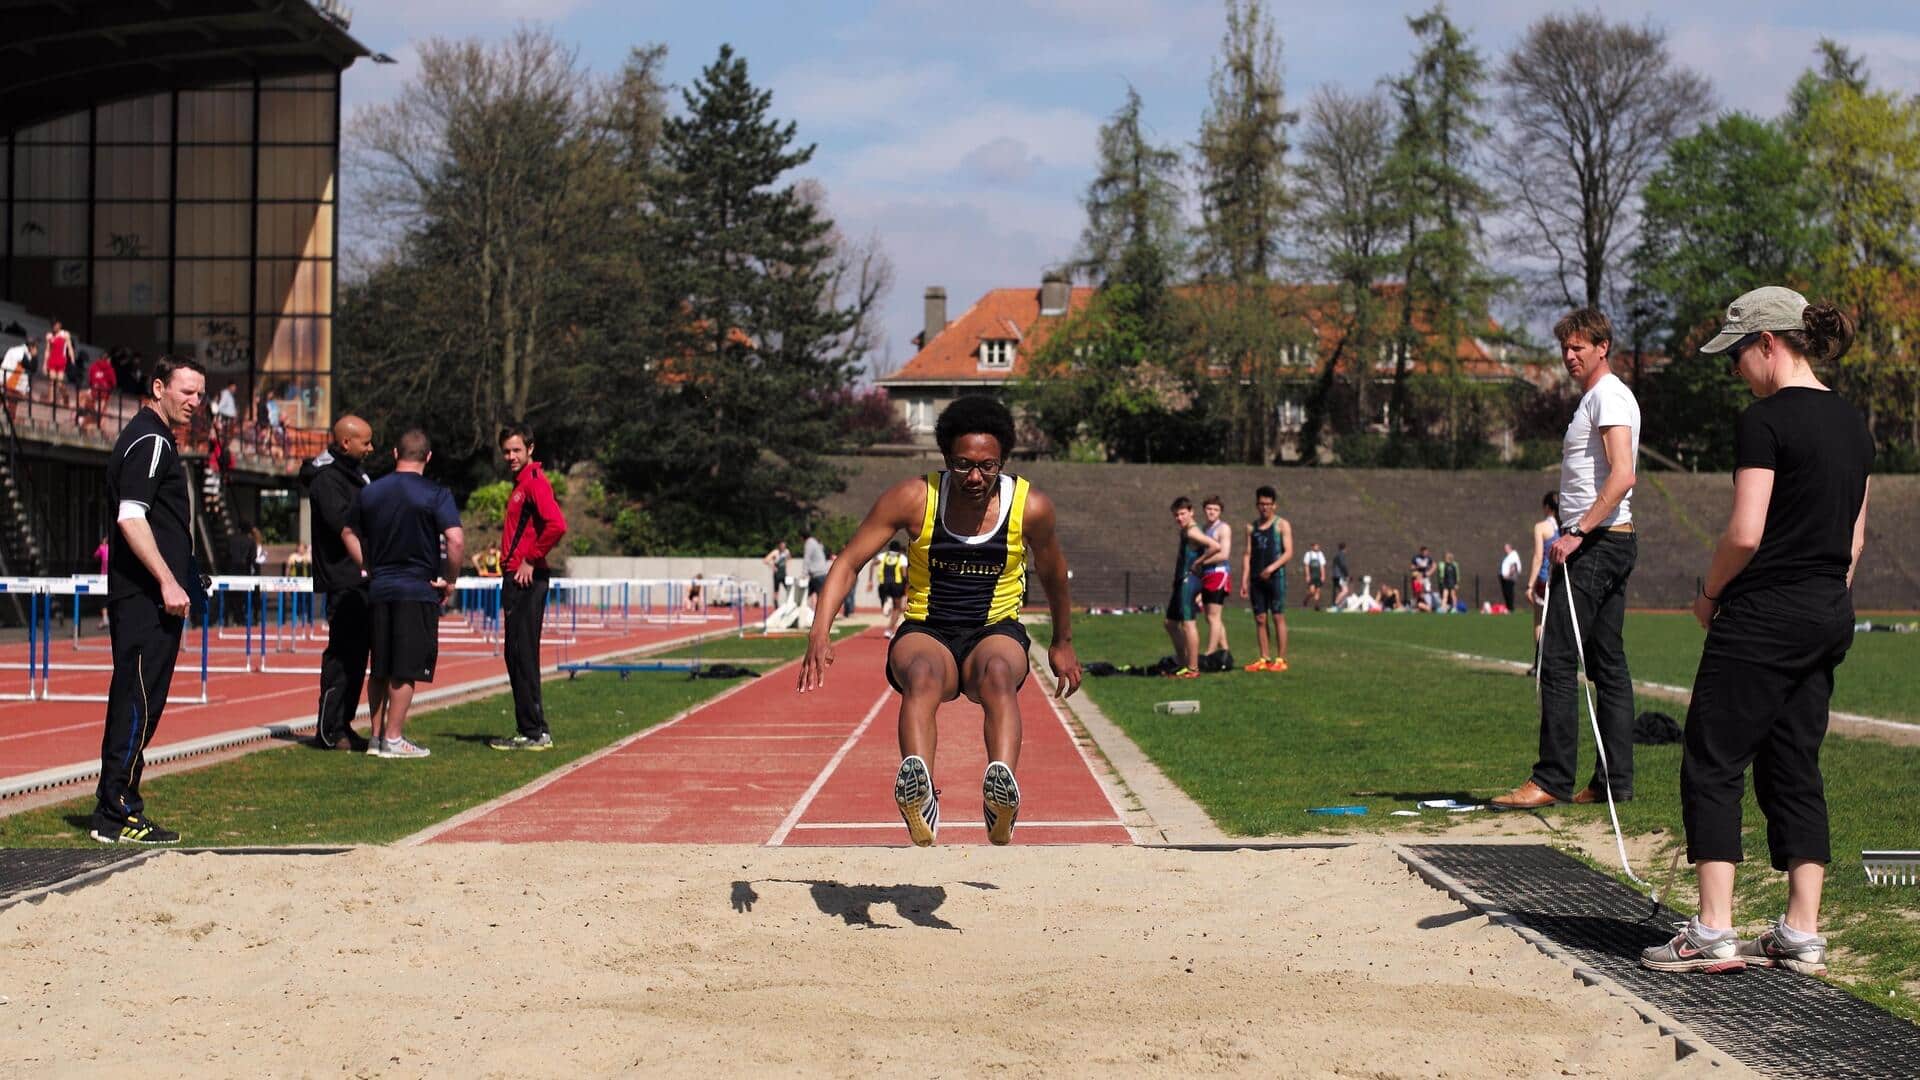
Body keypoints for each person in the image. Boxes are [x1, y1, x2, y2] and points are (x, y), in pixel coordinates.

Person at [1641, 289, 1872, 976]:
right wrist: (1823, 595)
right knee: (1794, 763)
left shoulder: (1765, 421)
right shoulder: (1854, 424)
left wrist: (1710, 594)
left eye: (1739, 353)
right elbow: (1854, 536)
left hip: (1763, 613)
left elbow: (1746, 531)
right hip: (1828, 608)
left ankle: (1714, 929)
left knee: (1712, 759)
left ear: (1770, 342)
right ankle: (1802, 932)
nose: (1736, 368)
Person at [798, 395, 1080, 848]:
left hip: (995, 630)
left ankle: (1000, 792)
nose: (973, 477)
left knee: (999, 674)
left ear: (1003, 460)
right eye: (961, 464)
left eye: (986, 466)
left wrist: (1063, 641)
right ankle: (920, 791)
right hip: (928, 628)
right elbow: (849, 561)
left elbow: (1053, 576)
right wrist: (819, 630)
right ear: (945, 458)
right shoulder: (914, 498)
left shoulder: (1031, 507)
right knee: (923, 675)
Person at [1494, 308, 1640, 811]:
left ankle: (1551, 779)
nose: (1570, 355)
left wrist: (1575, 530)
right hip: (1604, 543)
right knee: (1608, 665)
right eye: (1565, 347)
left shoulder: (1610, 396)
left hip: (1597, 546)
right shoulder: (1593, 400)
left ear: (1603, 347)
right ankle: (1612, 782)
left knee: (1556, 660)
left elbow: (1623, 475)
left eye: (1579, 346)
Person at [90, 355, 207, 844]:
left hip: (148, 598)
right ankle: (116, 812)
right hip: (143, 599)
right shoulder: (152, 440)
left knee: (141, 700)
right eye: (186, 391)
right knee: (137, 701)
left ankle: (117, 805)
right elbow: (131, 517)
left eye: (200, 395)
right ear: (159, 387)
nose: (194, 403)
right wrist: (166, 580)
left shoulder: (154, 438)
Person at [348, 429, 463, 759]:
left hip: (381, 587)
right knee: (406, 666)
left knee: (380, 665)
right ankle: (394, 738)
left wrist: (367, 565)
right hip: (417, 588)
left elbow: (347, 531)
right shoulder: (436, 493)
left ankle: (375, 737)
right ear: (428, 457)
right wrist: (449, 579)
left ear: (396, 453)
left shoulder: (371, 492)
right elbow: (454, 540)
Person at [301, 415, 378, 752]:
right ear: (346, 442)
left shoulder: (356, 473)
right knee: (342, 657)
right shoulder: (327, 480)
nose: (371, 448)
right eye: (366, 442)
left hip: (361, 579)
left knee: (357, 657)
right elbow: (343, 525)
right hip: (343, 577)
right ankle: (329, 729)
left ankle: (343, 723)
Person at [490, 422, 566, 752]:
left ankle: (536, 731)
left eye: (516, 450)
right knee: (515, 654)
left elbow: (557, 524)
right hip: (516, 576)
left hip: (526, 579)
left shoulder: (534, 483)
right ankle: (528, 729)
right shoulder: (520, 484)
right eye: (506, 450)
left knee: (522, 654)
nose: (510, 456)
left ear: (530, 449)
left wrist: (530, 560)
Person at [1163, 496, 1222, 679]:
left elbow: (1215, 546)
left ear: (1191, 512)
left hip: (1190, 580)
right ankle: (1183, 662)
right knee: (1170, 623)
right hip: (1181, 579)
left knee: (1188, 623)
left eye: (1182, 514)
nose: (1179, 518)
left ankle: (1193, 668)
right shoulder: (1186, 530)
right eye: (1176, 515)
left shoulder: (1192, 532)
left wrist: (1199, 561)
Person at [1239, 486, 1293, 672]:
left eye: (1268, 504)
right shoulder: (1250, 528)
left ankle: (1281, 659)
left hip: (1276, 577)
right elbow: (1247, 554)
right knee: (1260, 618)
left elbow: (1288, 553)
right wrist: (1244, 579)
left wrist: (1271, 568)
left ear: (1274, 505)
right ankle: (1264, 657)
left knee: (1278, 616)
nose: (1265, 508)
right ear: (1256, 505)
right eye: (1261, 504)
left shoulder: (1281, 525)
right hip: (1256, 578)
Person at [1526, 492, 1560, 674]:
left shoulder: (1541, 527)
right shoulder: (1565, 526)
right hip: (1562, 580)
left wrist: (1529, 585)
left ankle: (1539, 664)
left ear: (1547, 507)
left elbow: (1539, 556)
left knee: (1539, 621)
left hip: (1544, 580)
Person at [1197, 495, 1233, 658]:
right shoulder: (1204, 528)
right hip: (1207, 574)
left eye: (1215, 509)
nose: (1212, 512)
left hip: (1218, 573)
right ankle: (1224, 651)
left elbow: (1224, 554)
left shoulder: (1223, 528)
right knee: (1211, 616)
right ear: (1204, 510)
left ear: (1220, 512)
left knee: (1213, 616)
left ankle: (1210, 653)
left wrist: (1201, 562)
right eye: (1209, 509)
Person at [868, 539, 909, 638]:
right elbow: (904, 573)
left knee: (885, 597)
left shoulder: (883, 556)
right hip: (897, 585)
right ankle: (889, 630)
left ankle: (886, 601)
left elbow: (872, 564)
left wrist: (870, 580)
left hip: (884, 584)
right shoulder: (902, 557)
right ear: (899, 549)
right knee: (897, 608)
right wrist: (907, 584)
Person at [44, 319, 74, 420]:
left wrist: (72, 359)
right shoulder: (49, 336)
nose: (54, 327)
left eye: (55, 325)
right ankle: (51, 402)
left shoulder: (65, 334)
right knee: (52, 382)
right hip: (52, 360)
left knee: (60, 383)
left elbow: (69, 347)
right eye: (52, 325)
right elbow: (47, 350)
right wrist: (45, 364)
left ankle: (65, 395)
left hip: (61, 360)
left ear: (59, 325)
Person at [2, 338, 35, 423]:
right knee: (12, 406)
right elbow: (32, 368)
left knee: (7, 403)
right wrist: (35, 356)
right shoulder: (23, 353)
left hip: (4, 379)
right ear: (31, 346)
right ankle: (9, 424)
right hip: (13, 383)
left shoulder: (14, 350)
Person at [86, 350, 116, 431]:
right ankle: (98, 427)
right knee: (101, 411)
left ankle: (96, 424)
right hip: (104, 392)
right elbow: (113, 382)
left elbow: (90, 380)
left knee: (98, 409)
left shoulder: (93, 366)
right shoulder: (110, 368)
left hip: (94, 390)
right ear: (108, 359)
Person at [801, 531, 829, 611]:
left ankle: (823, 615)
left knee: (818, 596)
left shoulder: (809, 543)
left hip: (818, 574)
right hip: (821, 573)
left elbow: (807, 559)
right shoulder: (816, 543)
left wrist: (804, 574)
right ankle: (811, 612)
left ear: (802, 538)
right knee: (808, 594)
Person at [763, 540, 791, 604]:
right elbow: (765, 560)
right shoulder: (775, 552)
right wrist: (773, 567)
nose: (783, 547)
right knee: (776, 591)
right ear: (779, 546)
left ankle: (789, 603)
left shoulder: (787, 551)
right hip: (777, 574)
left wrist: (786, 565)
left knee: (788, 589)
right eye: (782, 546)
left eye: (784, 546)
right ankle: (776, 605)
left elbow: (789, 558)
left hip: (783, 573)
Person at [1302, 542, 1327, 611]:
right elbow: (1306, 566)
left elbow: (1322, 566)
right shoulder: (1308, 554)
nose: (1317, 547)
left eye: (1318, 546)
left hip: (1318, 574)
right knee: (1312, 591)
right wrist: (1307, 575)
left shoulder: (1320, 554)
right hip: (1311, 574)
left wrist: (1323, 575)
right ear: (1312, 546)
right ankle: (1305, 601)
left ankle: (1316, 605)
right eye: (1316, 546)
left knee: (1318, 590)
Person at [1498, 543, 1522, 613]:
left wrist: (1508, 575)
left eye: (1506, 548)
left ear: (1510, 548)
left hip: (1509, 577)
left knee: (1509, 592)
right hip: (1505, 577)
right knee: (1506, 592)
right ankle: (1508, 608)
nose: (1505, 549)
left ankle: (1510, 608)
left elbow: (1514, 566)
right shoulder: (1508, 556)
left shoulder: (1513, 555)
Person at [1330, 541, 1352, 608]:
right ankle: (1335, 604)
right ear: (1345, 548)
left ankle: (1338, 605)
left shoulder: (1337, 555)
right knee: (1345, 591)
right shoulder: (1341, 555)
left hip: (1335, 575)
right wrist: (1347, 575)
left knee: (1340, 590)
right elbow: (1343, 565)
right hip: (1340, 576)